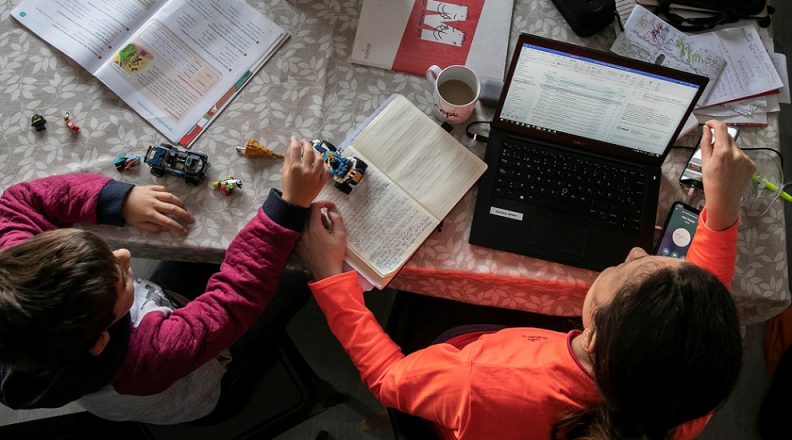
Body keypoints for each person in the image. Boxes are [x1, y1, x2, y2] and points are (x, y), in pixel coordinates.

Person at [297, 120, 756, 440]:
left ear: (594, 326)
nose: (637, 251)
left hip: (468, 384)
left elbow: (389, 378)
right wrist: (723, 208)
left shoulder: (480, 382)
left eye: (625, 270)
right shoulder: (685, 400)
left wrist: (330, 278)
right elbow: (694, 305)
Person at [0, 137, 329, 424]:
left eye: (108, 253)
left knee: (200, 260)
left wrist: (119, 199)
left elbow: (18, 203)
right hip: (209, 388)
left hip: (140, 343)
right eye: (122, 279)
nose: (125, 256)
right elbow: (235, 296)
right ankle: (246, 379)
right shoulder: (155, 354)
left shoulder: (21, 271)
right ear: (100, 339)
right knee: (293, 282)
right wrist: (288, 206)